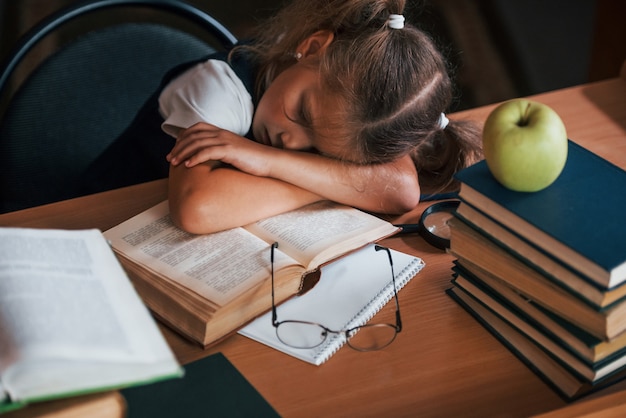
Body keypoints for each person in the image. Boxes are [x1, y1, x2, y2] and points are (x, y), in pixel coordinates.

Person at [84, 0, 482, 234]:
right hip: (95, 220)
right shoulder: (217, 86)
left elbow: (400, 190)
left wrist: (272, 162)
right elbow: (196, 208)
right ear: (311, 48)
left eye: (319, 150)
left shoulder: (362, 113)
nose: (292, 142)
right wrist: (337, 180)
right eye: (302, 113)